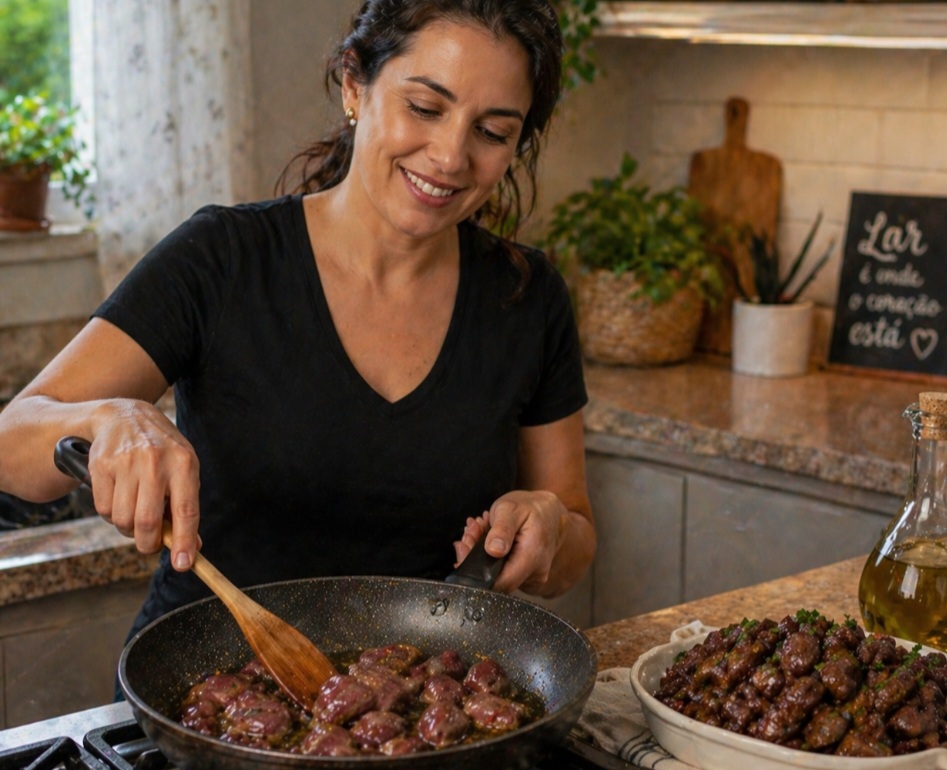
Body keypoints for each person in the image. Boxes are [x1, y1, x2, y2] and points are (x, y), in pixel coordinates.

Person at [0, 0, 595, 643]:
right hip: (205, 693)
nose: (451, 156)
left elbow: (575, 536)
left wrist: (550, 526)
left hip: (422, 702)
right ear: (354, 86)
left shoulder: (527, 298)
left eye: (493, 131)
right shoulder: (223, 258)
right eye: (424, 108)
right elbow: (12, 445)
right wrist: (104, 418)